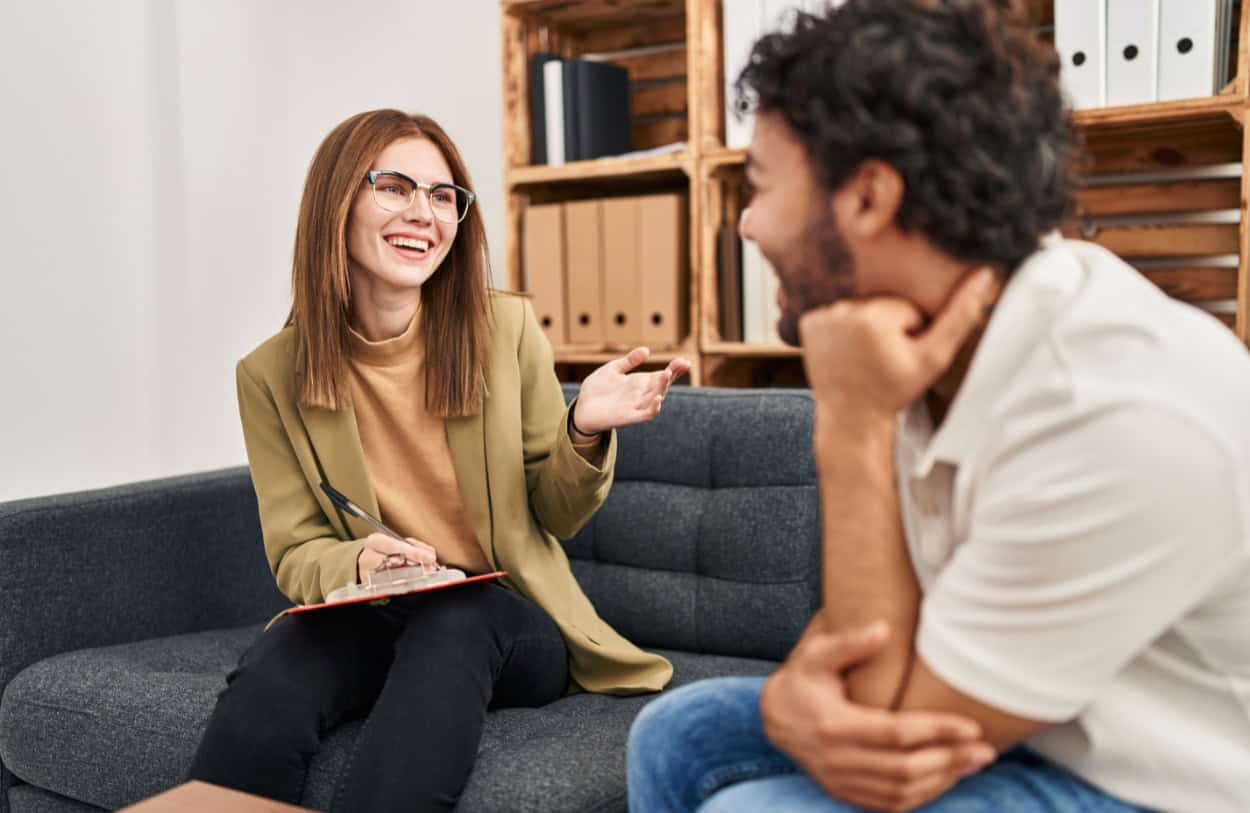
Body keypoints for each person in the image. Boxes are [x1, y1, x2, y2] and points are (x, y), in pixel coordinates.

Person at [627, 1, 1250, 811]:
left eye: (761, 186)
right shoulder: (932, 340)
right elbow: (871, 632)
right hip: (1027, 718)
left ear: (870, 197)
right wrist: (789, 705)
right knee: (678, 731)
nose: (746, 224)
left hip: (1159, 780)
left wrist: (850, 425)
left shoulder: (1109, 410)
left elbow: (896, 729)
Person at [186, 108, 689, 812]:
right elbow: (297, 550)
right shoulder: (271, 375)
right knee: (284, 655)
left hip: (506, 620)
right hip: (377, 615)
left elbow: (558, 511)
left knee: (457, 616)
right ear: (337, 199)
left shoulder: (504, 329)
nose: (423, 212)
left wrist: (581, 427)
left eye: (443, 195)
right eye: (395, 186)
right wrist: (358, 563)